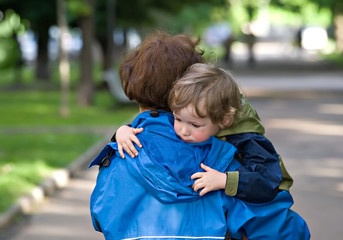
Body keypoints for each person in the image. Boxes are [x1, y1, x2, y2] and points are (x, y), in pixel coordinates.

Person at [90, 31, 310, 240]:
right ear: (189, 86)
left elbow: (100, 217)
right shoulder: (219, 162)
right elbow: (283, 230)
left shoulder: (119, 152)